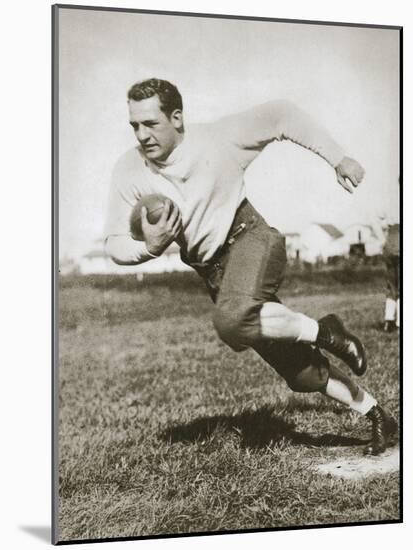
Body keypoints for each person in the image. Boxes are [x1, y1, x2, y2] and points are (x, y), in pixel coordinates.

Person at [105, 78, 397, 455]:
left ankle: (325, 331)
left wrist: (338, 158)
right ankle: (377, 416)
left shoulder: (216, 139)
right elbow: (114, 243)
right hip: (213, 271)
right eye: (134, 125)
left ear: (176, 117)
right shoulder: (128, 170)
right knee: (301, 373)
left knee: (231, 322)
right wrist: (150, 247)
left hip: (250, 239)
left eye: (151, 123)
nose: (141, 134)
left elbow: (281, 114)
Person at [371, 180, 400, 332]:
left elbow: (374, 219)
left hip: (390, 241)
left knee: (392, 285)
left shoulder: (390, 199)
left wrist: (382, 240)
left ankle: (389, 320)